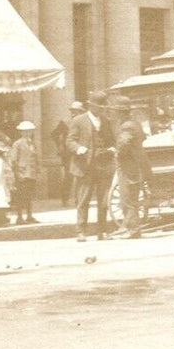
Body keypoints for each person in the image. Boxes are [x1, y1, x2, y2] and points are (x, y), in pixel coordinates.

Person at [67, 94, 115, 242]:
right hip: (84, 166)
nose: (101, 111)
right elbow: (70, 140)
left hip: (103, 165)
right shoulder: (78, 120)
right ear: (91, 106)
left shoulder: (105, 121)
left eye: (103, 108)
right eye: (99, 108)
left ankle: (102, 231)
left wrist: (112, 148)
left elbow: (110, 140)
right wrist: (78, 148)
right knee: (83, 199)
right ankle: (81, 231)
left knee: (104, 200)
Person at [114, 107, 149, 239]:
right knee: (131, 198)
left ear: (120, 112)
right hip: (136, 164)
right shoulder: (135, 124)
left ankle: (133, 230)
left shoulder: (126, 126)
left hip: (128, 166)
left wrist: (117, 153)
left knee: (127, 199)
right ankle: (132, 228)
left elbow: (124, 143)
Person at [9, 121, 39, 225]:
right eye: (25, 132)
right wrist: (18, 172)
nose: (27, 133)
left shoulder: (32, 143)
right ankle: (19, 217)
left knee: (29, 195)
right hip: (22, 173)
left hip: (31, 173)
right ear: (21, 132)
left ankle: (29, 215)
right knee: (21, 196)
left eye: (29, 131)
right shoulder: (17, 144)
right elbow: (13, 159)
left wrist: (37, 169)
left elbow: (35, 158)